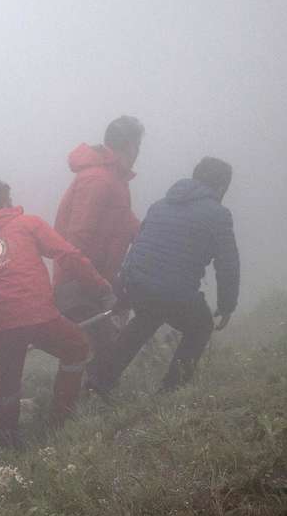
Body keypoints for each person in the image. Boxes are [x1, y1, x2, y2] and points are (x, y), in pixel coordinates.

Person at [0, 180, 111, 447]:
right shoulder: (28, 223)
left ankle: (7, 440)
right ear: (4, 201)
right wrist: (100, 285)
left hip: (3, 323)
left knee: (6, 381)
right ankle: (61, 419)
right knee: (76, 347)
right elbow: (67, 254)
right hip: (39, 314)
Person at [94, 157, 240, 394]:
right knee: (201, 326)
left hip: (138, 284)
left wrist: (122, 289)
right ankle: (171, 392)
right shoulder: (219, 214)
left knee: (146, 319)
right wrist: (227, 305)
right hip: (174, 292)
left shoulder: (160, 205)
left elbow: (138, 247)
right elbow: (228, 264)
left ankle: (98, 381)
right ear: (222, 187)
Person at [53, 116, 144, 390]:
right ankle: (88, 405)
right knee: (103, 348)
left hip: (95, 278)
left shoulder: (113, 180)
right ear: (129, 145)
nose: (139, 152)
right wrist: (92, 283)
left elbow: (126, 223)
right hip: (81, 281)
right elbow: (78, 237)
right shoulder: (98, 179)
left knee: (102, 347)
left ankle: (90, 399)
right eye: (138, 145)